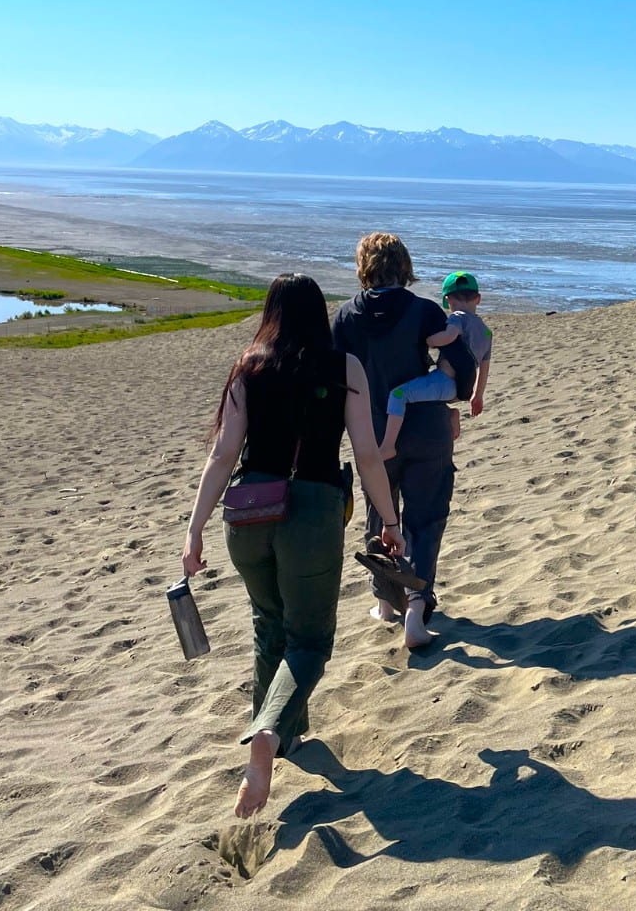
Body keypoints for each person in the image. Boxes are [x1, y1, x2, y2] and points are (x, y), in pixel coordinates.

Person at [182, 273, 403, 820]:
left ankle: (285, 735)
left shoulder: (248, 367)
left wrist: (194, 529)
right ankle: (265, 737)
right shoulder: (344, 367)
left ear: (272, 312)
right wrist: (390, 521)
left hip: (249, 514)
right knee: (309, 641)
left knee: (269, 625)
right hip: (311, 510)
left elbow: (222, 455)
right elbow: (369, 455)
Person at [332, 233, 475, 649]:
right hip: (426, 428)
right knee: (426, 519)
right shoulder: (425, 311)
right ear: (404, 266)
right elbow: (461, 367)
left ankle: (386, 602)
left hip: (372, 433)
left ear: (364, 268)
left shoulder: (344, 318)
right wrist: (454, 399)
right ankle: (417, 607)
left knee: (381, 515)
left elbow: (334, 379)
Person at [379, 270, 493, 460]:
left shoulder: (457, 317)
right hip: (461, 389)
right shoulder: (487, 332)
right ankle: (450, 413)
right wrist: (477, 396)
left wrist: (429, 340)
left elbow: (449, 336)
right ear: (478, 299)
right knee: (427, 394)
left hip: (444, 382)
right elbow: (485, 368)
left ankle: (388, 445)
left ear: (448, 300)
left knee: (398, 394)